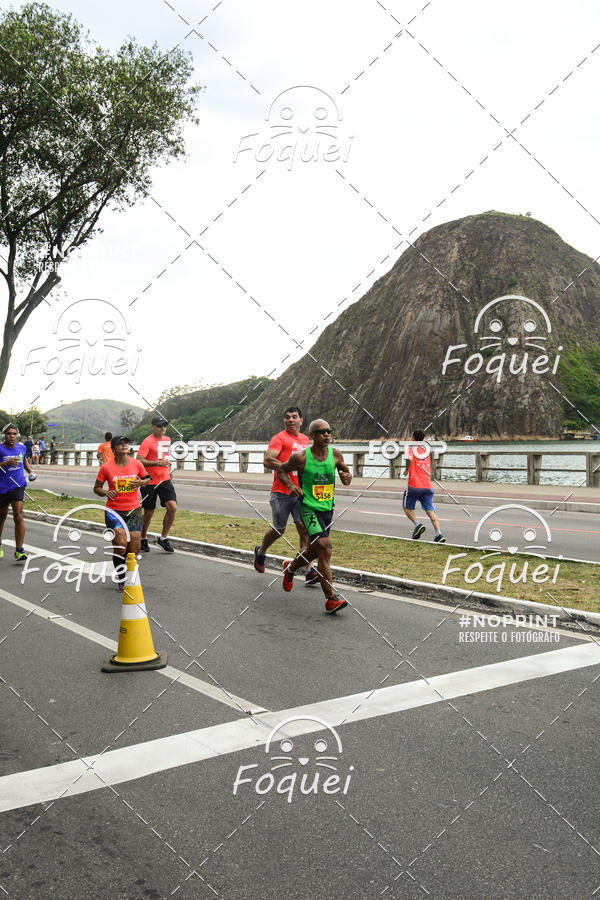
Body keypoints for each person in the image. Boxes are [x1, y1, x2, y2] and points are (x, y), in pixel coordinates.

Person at [277, 419, 352, 614]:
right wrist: (291, 485)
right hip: (308, 508)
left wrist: (346, 476)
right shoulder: (301, 458)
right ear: (312, 436)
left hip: (327, 508)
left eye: (329, 431)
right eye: (321, 432)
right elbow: (282, 471)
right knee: (325, 549)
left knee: (315, 550)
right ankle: (331, 600)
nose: (327, 434)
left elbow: (345, 472)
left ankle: (291, 568)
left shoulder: (335, 455)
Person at [253, 407, 318, 585]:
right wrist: (287, 467)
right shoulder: (279, 438)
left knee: (304, 529)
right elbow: (267, 460)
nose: (291, 420)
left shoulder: (305, 439)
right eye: (287, 417)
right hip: (281, 493)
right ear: (284, 421)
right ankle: (261, 551)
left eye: (294, 417)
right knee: (278, 530)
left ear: (301, 420)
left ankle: (309, 569)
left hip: (300, 493)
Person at [93, 435, 150, 590]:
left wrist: (141, 482)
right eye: (120, 444)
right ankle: (121, 577)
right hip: (114, 511)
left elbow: (147, 479)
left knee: (134, 549)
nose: (124, 446)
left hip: (134, 510)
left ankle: (126, 569)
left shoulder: (137, 464)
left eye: (126, 443)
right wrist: (106, 492)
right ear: (113, 449)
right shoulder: (106, 467)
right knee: (120, 546)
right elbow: (96, 488)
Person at [137, 416, 177, 553]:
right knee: (149, 512)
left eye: (164, 425)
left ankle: (163, 538)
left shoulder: (167, 439)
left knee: (172, 507)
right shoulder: (147, 441)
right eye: (160, 426)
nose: (163, 428)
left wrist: (169, 470)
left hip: (164, 480)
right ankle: (143, 538)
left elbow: (166, 458)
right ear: (153, 427)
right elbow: (139, 460)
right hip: (149, 481)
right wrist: (157, 463)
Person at [0, 423, 36, 561]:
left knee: (18, 516)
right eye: (9, 434)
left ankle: (19, 550)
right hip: (2, 487)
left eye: (14, 434)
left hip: (18, 485)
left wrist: (31, 472)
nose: (12, 436)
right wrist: (6, 463)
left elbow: (24, 462)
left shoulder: (21, 447)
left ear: (17, 435)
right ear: (4, 435)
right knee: (1, 518)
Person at [402, 429, 445, 542]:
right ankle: (439, 534)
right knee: (430, 511)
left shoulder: (411, 448)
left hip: (415, 485)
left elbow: (409, 459)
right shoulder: (426, 450)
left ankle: (418, 525)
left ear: (413, 438)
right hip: (427, 486)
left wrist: (406, 470)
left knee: (406, 507)